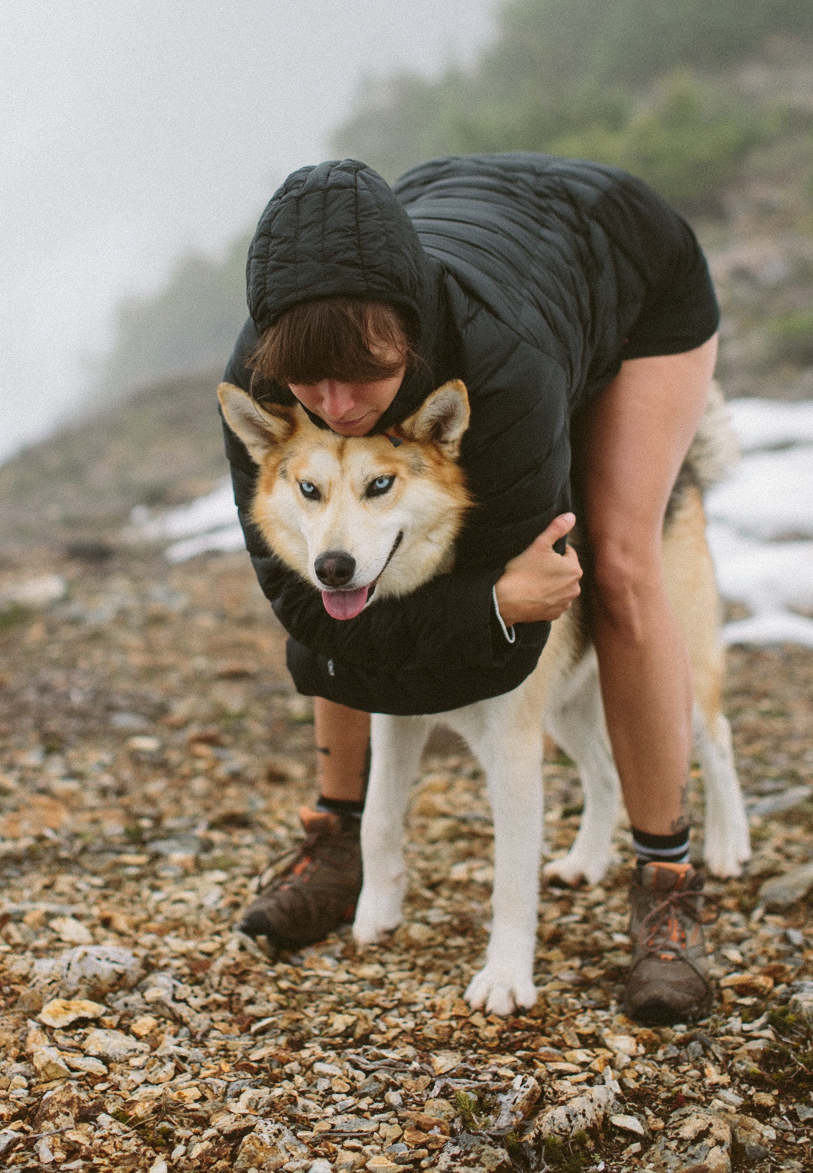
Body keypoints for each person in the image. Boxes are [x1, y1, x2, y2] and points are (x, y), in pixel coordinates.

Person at [222, 153, 720, 1026]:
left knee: (619, 563)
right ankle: (338, 840)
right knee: (341, 578)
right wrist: (458, 609)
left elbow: (523, 617)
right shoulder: (270, 372)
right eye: (311, 382)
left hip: (624, 262)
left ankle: (667, 880)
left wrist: (495, 601)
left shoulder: (505, 367)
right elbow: (305, 605)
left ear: (406, 338)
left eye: (361, 379)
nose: (337, 407)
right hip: (457, 218)